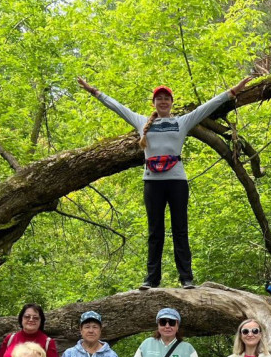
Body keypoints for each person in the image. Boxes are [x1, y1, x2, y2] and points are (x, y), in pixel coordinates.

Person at [77, 75, 252, 289]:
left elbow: (208, 106)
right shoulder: (142, 122)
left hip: (177, 181)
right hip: (152, 182)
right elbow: (117, 106)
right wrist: (93, 91)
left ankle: (186, 278)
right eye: (159, 98)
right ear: (153, 103)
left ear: (171, 103)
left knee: (180, 229)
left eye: (166, 98)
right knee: (155, 231)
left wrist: (233, 90)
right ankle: (152, 279)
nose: (163, 101)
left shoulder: (181, 122)